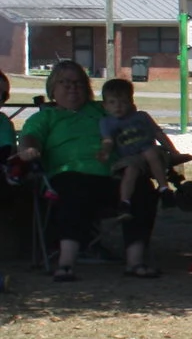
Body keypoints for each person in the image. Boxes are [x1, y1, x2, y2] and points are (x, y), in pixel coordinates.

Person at [15, 62, 160, 279]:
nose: (72, 87)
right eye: (65, 82)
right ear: (52, 87)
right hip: (69, 175)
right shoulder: (45, 117)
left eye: (78, 83)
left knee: (142, 187)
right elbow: (29, 138)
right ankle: (66, 264)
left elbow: (133, 121)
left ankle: (135, 262)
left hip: (114, 176)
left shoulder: (102, 110)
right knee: (74, 188)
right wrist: (28, 149)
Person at [96, 76, 181, 220]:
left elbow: (158, 134)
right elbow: (108, 141)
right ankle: (124, 203)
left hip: (149, 150)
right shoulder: (106, 122)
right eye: (112, 102)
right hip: (129, 157)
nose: (118, 106)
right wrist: (105, 152)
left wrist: (173, 151)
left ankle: (164, 189)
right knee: (131, 170)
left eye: (123, 102)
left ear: (131, 102)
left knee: (150, 152)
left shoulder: (141, 117)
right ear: (105, 105)